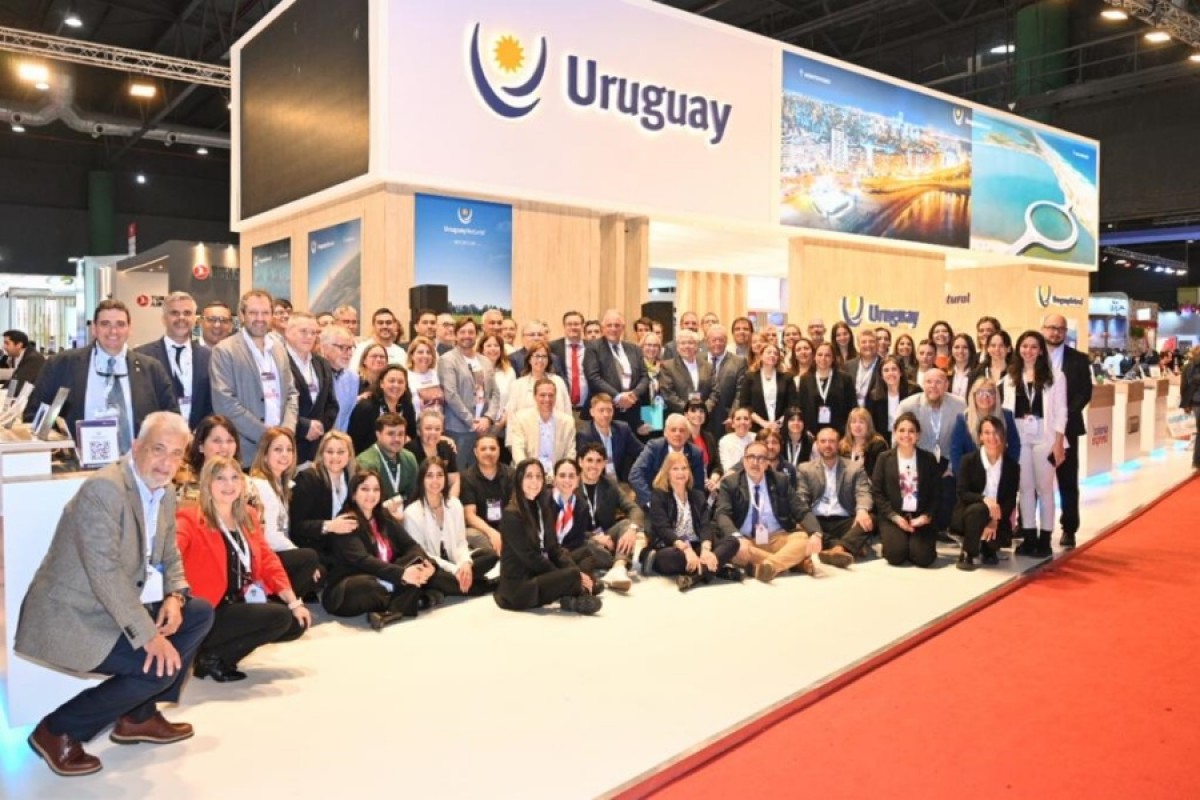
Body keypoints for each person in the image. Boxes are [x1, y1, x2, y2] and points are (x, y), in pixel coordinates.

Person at [15, 412, 213, 777]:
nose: (166, 462)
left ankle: (137, 716)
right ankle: (56, 731)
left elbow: (170, 553)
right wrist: (149, 636)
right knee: (155, 668)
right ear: (136, 447)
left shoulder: (165, 491)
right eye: (158, 450)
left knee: (199, 612)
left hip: (113, 607)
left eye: (175, 454)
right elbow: (104, 573)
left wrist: (175, 596)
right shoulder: (104, 489)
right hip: (74, 616)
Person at [176, 456, 310, 682]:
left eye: (234, 478)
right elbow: (171, 558)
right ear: (208, 484)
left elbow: (268, 560)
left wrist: (293, 600)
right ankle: (211, 656)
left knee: (295, 621)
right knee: (278, 617)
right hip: (207, 610)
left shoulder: (248, 515)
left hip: (240, 600)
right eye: (220, 479)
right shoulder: (190, 519)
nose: (229, 485)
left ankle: (215, 655)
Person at [29, 299, 177, 455]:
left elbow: (172, 419)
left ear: (129, 329)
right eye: (105, 324)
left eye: (120, 324)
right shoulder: (61, 364)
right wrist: (60, 447)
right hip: (77, 466)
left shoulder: (152, 368)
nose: (113, 331)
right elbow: (35, 415)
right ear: (94, 328)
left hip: (137, 466)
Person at [321, 471, 448, 629]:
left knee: (417, 565)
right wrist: (402, 575)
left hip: (386, 577)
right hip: (349, 585)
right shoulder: (347, 520)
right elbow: (363, 561)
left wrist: (428, 565)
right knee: (368, 587)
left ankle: (395, 607)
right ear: (353, 494)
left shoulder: (383, 516)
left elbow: (411, 546)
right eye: (365, 489)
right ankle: (417, 599)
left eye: (376, 489)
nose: (371, 494)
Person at [493, 459, 602, 614]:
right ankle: (580, 589)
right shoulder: (512, 514)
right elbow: (530, 558)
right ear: (519, 480)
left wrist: (576, 571)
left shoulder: (542, 507)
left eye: (539, 477)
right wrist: (569, 574)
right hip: (520, 588)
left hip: (537, 574)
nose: (534, 481)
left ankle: (576, 591)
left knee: (584, 554)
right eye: (529, 476)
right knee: (570, 575)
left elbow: (554, 549)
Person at [210, 290, 299, 468]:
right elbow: (225, 403)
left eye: (265, 313)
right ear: (242, 316)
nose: (260, 318)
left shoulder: (279, 349)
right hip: (246, 455)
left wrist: (286, 432)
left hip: (280, 455)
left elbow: (291, 393)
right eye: (253, 313)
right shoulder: (224, 351)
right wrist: (268, 437)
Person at [1002, 330, 1067, 558]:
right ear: (1018, 349)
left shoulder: (1056, 376)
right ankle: (1029, 537)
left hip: (1045, 437)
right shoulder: (1010, 378)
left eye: (1033, 347)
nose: (1028, 351)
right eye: (1024, 346)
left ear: (1040, 351)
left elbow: (1061, 412)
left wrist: (1059, 443)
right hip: (1019, 438)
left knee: (1045, 489)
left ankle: (1045, 538)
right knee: (1025, 489)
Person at [713, 439, 814, 583]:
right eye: (751, 457)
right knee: (732, 549)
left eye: (761, 458)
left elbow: (801, 509)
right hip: (746, 540)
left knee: (803, 539)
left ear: (768, 463)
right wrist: (738, 537)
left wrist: (816, 533)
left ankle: (768, 566)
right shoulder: (730, 482)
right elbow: (722, 514)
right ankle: (794, 563)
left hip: (775, 537)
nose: (755, 462)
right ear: (744, 461)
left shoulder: (780, 480)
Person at [404, 457, 499, 597]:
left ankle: (455, 585)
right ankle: (483, 586)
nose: (435, 480)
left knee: (490, 555)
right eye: (429, 476)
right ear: (422, 479)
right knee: (428, 575)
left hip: (455, 560)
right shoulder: (412, 513)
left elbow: (461, 542)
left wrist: (465, 563)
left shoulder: (454, 504)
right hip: (433, 566)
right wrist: (455, 570)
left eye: (440, 475)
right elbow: (424, 554)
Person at [645, 452, 740, 591]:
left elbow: (705, 525)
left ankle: (694, 577)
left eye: (684, 468)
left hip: (697, 545)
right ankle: (716, 569)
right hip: (671, 546)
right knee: (670, 558)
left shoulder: (697, 495)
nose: (681, 472)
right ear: (667, 472)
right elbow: (663, 529)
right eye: (675, 469)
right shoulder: (658, 495)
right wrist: (686, 550)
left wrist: (706, 550)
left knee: (733, 542)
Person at [247, 427, 323, 599]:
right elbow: (271, 537)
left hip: (275, 550)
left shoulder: (281, 483)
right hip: (264, 555)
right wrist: (300, 554)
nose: (285, 454)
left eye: (289, 449)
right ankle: (284, 604)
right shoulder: (261, 485)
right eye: (278, 449)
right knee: (309, 558)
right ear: (264, 454)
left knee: (319, 569)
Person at [1042, 314, 1093, 549]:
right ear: (1043, 329)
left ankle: (1069, 528)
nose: (1055, 333)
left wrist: (1062, 418)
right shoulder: (1033, 355)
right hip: (1035, 430)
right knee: (1032, 480)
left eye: (1060, 329)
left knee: (1067, 481)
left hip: (1067, 429)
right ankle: (1026, 524)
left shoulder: (1080, 360)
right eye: (1051, 328)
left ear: (1066, 332)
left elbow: (1084, 393)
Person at [897, 368, 965, 538]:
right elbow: (897, 437)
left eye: (938, 382)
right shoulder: (909, 405)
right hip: (918, 457)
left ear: (946, 385)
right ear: (923, 384)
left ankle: (942, 527)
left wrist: (951, 466)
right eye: (929, 382)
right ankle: (916, 523)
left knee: (948, 486)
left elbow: (963, 439)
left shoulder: (960, 405)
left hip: (947, 457)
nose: (933, 386)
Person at [794, 427, 874, 567]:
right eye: (823, 441)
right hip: (817, 520)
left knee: (869, 520)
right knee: (800, 527)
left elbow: (863, 492)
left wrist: (862, 510)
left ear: (838, 444)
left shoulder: (854, 468)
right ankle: (849, 545)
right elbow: (802, 498)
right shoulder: (805, 468)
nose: (827, 445)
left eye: (832, 441)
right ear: (817, 444)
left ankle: (837, 549)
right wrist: (806, 521)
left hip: (844, 520)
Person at [133, 291, 212, 430]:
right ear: (164, 319)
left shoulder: (208, 356)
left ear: (195, 319)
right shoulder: (142, 356)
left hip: (198, 440)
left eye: (187, 313)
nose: (181, 318)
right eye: (174, 313)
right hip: (160, 439)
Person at [871, 412, 941, 568]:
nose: (906, 435)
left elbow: (937, 493)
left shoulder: (928, 459)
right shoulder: (884, 458)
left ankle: (914, 544)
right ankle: (901, 542)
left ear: (918, 435)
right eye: (901, 430)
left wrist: (926, 516)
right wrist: (894, 517)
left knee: (924, 558)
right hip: (894, 516)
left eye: (911, 431)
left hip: (920, 517)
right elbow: (877, 492)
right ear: (895, 433)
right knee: (895, 556)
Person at [952, 415, 1020, 570]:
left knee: (994, 542)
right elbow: (962, 493)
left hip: (997, 518)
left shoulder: (1012, 466)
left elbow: (1010, 499)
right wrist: (985, 500)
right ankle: (968, 552)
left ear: (1003, 435)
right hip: (970, 513)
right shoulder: (968, 460)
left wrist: (994, 521)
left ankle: (987, 549)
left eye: (996, 432)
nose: (992, 437)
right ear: (980, 436)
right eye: (987, 433)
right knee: (980, 509)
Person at [576, 442, 643, 590]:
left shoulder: (610, 485)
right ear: (580, 462)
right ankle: (622, 559)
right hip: (583, 539)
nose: (594, 465)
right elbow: (566, 528)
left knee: (626, 524)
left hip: (607, 538)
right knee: (584, 547)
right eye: (589, 460)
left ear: (605, 463)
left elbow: (634, 509)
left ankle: (618, 568)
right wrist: (594, 537)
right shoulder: (572, 486)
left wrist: (632, 529)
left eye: (599, 461)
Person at [438, 317, 499, 468]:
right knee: (458, 473)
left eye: (471, 332)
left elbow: (495, 393)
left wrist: (488, 418)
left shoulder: (485, 361)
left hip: (483, 429)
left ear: (477, 334)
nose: (467, 335)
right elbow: (450, 394)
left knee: (481, 471)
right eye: (462, 332)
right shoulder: (448, 360)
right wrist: (471, 421)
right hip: (459, 429)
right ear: (456, 335)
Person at [289, 431, 357, 566]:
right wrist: (329, 526)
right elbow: (296, 527)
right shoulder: (307, 479)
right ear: (321, 454)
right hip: (314, 549)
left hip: (342, 545)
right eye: (329, 452)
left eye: (341, 452)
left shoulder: (353, 478)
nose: (335, 457)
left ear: (349, 455)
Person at [285, 311, 339, 465]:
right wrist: (304, 427)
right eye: (303, 331)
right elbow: (276, 407)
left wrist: (321, 426)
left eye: (313, 332)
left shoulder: (321, 363)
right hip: (289, 446)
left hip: (317, 448)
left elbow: (332, 404)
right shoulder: (277, 361)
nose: (309, 336)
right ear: (288, 332)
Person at [585, 309, 650, 432]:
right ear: (603, 328)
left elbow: (644, 376)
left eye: (617, 325)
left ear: (623, 328)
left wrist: (633, 394)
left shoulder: (634, 349)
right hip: (607, 411)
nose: (613, 329)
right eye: (609, 325)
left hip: (633, 410)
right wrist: (618, 397)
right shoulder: (593, 348)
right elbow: (594, 377)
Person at [628, 413, 707, 507]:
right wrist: (651, 501)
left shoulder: (695, 453)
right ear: (665, 432)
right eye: (673, 430)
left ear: (687, 434)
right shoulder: (654, 447)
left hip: (684, 505)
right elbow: (635, 474)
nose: (677, 434)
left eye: (682, 431)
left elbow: (698, 487)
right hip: (652, 502)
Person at [949, 377, 1021, 471]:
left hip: (999, 470)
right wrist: (963, 478)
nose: (985, 397)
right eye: (980, 393)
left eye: (990, 393)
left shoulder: (1006, 416)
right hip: (971, 473)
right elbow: (955, 451)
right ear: (973, 396)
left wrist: (1008, 470)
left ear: (996, 396)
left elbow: (1014, 445)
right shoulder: (963, 419)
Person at [504, 341, 570, 443]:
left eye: (544, 356)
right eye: (536, 356)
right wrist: (512, 444)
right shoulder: (518, 385)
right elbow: (512, 417)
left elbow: (567, 412)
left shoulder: (558, 382)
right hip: (526, 440)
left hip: (555, 439)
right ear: (529, 359)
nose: (540, 360)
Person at [460, 433, 513, 553]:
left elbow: (516, 509)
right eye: (483, 449)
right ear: (475, 452)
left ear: (499, 450)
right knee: (471, 535)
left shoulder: (511, 474)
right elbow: (469, 515)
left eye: (493, 448)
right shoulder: (467, 477)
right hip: (482, 530)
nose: (488, 452)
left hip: (507, 528)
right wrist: (491, 533)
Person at [509, 378, 577, 470]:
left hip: (557, 474)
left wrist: (559, 473)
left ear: (555, 397)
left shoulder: (567, 422)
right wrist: (532, 473)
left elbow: (570, 453)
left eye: (551, 395)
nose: (547, 399)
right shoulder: (520, 419)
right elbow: (518, 451)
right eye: (542, 395)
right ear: (534, 396)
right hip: (527, 473)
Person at [355, 412, 419, 509]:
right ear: (378, 434)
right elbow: (365, 503)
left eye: (401, 434)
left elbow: (415, 495)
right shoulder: (367, 463)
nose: (397, 439)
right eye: (391, 434)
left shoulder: (409, 458)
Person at [347, 363, 416, 454]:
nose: (396, 385)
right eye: (391, 381)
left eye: (400, 382)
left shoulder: (407, 406)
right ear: (381, 384)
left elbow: (411, 436)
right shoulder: (366, 408)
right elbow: (355, 442)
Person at [576, 393, 643, 482]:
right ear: (592, 412)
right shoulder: (585, 435)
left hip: (622, 480)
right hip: (598, 482)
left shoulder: (622, 429)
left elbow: (641, 451)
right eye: (601, 410)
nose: (606, 414)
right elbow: (585, 468)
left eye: (609, 410)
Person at [176, 415, 240, 506]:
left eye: (230, 441)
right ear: (201, 446)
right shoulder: (184, 483)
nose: (224, 447)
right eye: (217, 441)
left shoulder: (246, 485)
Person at [797, 342, 856, 437]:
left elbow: (852, 406)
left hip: (839, 433)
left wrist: (846, 431)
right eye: (820, 355)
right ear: (814, 357)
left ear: (833, 358)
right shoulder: (805, 379)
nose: (823, 358)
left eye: (827, 355)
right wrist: (806, 430)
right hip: (812, 433)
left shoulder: (845, 379)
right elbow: (801, 406)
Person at [738, 341, 792, 434]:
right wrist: (764, 423)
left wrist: (778, 423)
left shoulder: (786, 378)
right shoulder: (750, 377)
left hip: (781, 428)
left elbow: (791, 404)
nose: (772, 355)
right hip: (757, 427)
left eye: (775, 353)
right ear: (761, 356)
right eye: (769, 352)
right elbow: (745, 404)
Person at [658, 329, 714, 416]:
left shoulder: (708, 366)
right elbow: (668, 394)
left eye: (690, 343)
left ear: (696, 346)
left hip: (703, 417)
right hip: (679, 417)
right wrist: (689, 410)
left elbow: (715, 392)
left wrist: (704, 409)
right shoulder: (667, 366)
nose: (687, 346)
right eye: (683, 343)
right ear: (677, 347)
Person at [406, 408, 461, 495]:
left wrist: (450, 503)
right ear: (419, 431)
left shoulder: (447, 447)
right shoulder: (409, 451)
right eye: (428, 428)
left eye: (437, 429)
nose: (433, 432)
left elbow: (454, 481)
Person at [705, 325, 747, 439]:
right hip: (702, 419)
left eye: (721, 340)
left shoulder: (739, 362)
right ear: (707, 341)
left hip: (726, 420)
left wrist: (733, 416)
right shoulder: (698, 360)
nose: (717, 343)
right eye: (714, 340)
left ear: (726, 341)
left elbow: (740, 393)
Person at [549, 310, 591, 418]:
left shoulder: (593, 348)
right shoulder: (552, 348)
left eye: (576, 324)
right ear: (564, 326)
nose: (573, 327)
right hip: (560, 410)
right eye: (569, 324)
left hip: (587, 410)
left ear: (582, 326)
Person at [866, 355, 919, 438]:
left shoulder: (914, 391)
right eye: (886, 370)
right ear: (881, 375)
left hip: (908, 437)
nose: (890, 373)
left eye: (894, 369)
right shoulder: (873, 396)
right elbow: (871, 424)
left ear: (901, 372)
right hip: (883, 438)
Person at [322, 325, 359, 434]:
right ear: (325, 347)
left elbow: (347, 417)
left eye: (350, 348)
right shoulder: (315, 374)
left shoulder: (353, 378)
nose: (348, 353)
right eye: (342, 347)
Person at [478, 333, 515, 437]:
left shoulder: (509, 371)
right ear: (481, 349)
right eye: (489, 346)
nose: (493, 349)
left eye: (496, 346)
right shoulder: (474, 370)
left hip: (501, 425)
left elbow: (512, 399)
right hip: (479, 425)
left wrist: (503, 420)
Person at [349, 308, 408, 372]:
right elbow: (353, 373)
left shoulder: (401, 353)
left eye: (388, 323)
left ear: (394, 325)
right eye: (380, 323)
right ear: (373, 326)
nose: (385, 326)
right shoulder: (362, 348)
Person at [684, 399, 723, 489]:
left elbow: (717, 465)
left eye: (701, 411)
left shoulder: (709, 437)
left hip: (710, 486)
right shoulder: (682, 438)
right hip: (689, 487)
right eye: (693, 411)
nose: (698, 414)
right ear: (686, 415)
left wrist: (713, 480)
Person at [840, 407, 889, 479]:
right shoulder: (842, 447)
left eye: (861, 422)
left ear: (869, 426)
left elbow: (880, 476)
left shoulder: (878, 446)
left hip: (869, 488)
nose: (857, 425)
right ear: (849, 426)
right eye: (854, 422)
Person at [405, 335, 444, 416]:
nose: (425, 355)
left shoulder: (438, 374)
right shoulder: (406, 377)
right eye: (420, 352)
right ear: (412, 355)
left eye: (428, 352)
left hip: (438, 424)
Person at [842, 328, 882, 408]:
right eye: (863, 342)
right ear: (858, 345)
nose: (868, 345)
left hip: (875, 414)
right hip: (852, 414)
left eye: (871, 342)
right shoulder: (848, 365)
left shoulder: (884, 365)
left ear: (877, 344)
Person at [2, 328, 46, 392]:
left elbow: (20, 385)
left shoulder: (33, 359)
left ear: (19, 345)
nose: (4, 347)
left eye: (7, 343)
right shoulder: (21, 356)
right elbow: (14, 380)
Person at [719, 406, 756, 473]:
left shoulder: (756, 438)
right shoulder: (725, 441)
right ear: (732, 424)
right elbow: (727, 468)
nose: (742, 422)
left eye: (746, 419)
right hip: (733, 478)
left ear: (750, 424)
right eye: (738, 419)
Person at [1182, 345, 1200, 470]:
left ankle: (1196, 461)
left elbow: (1183, 386)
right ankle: (1197, 461)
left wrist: (1186, 404)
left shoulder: (1187, 366)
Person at [948, 333, 978, 399]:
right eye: (957, 347)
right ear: (951, 350)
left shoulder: (978, 372)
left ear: (971, 350)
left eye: (965, 347)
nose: (960, 351)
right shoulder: (945, 373)